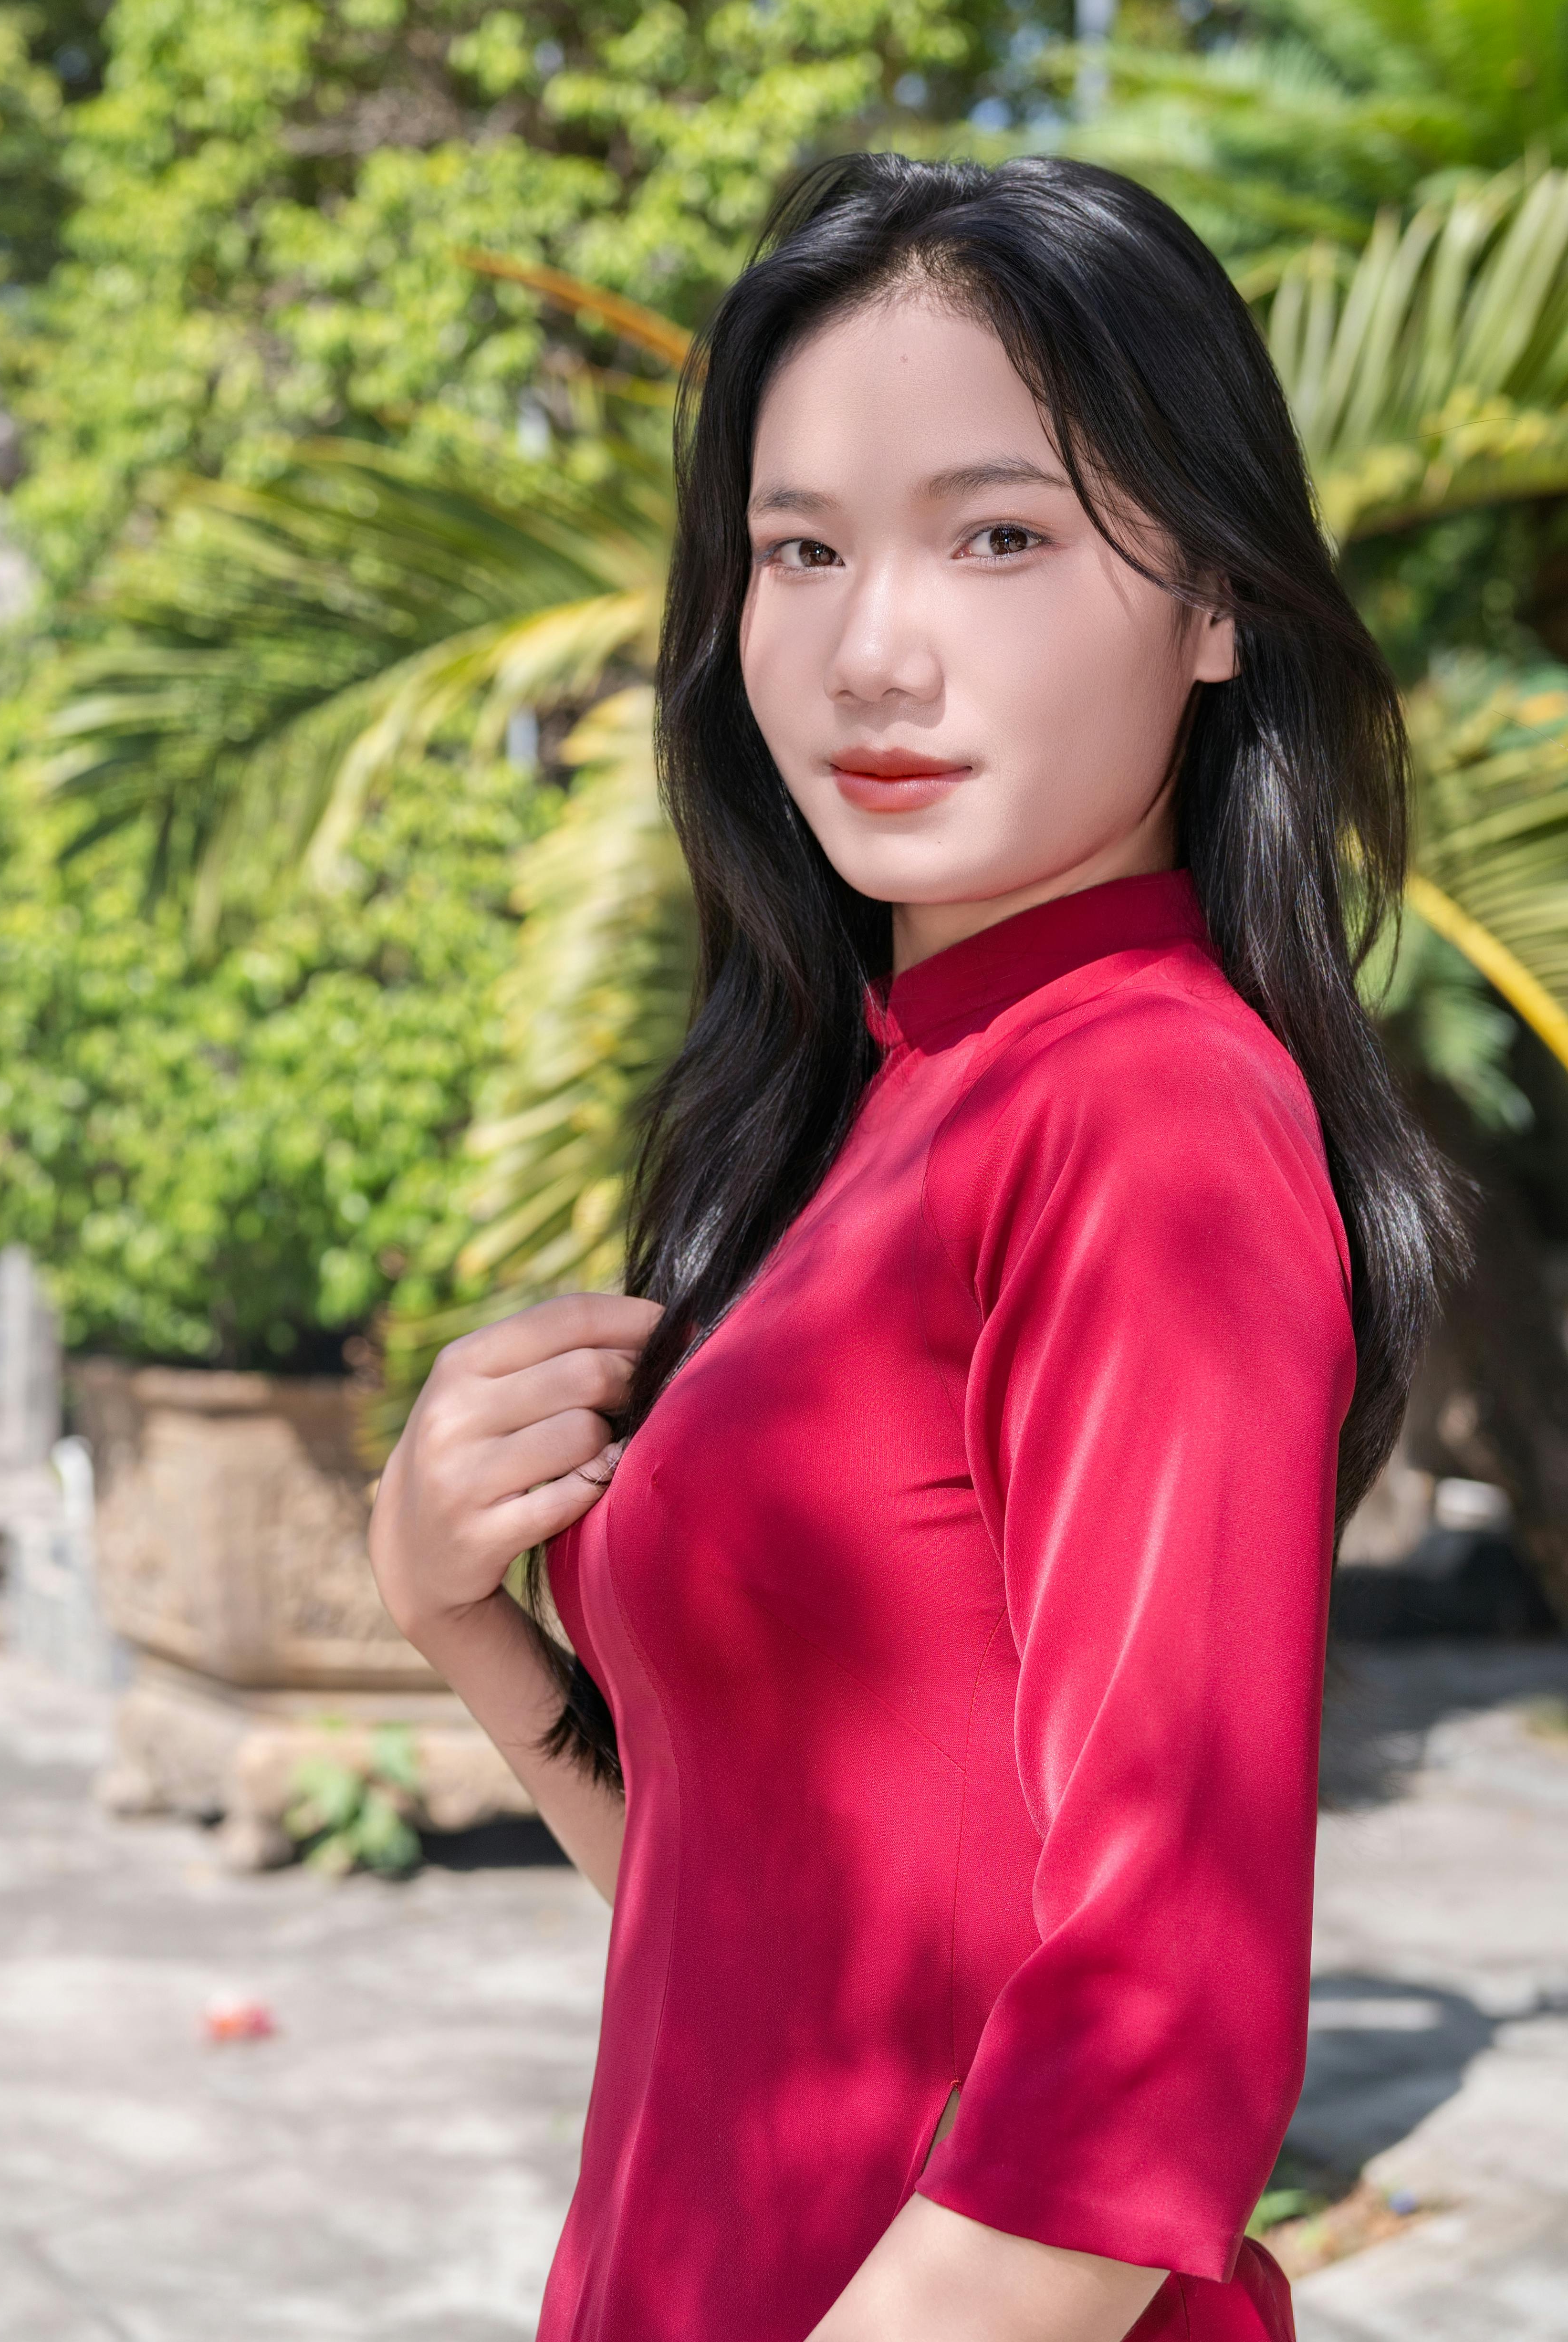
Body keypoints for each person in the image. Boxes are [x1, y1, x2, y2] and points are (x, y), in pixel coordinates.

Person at [369, 156, 1457, 2342]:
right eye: (799, 549)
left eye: (1000, 536)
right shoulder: (877, 1105)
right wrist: (460, 1615)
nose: (873, 646)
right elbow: (772, 1949)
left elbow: (1149, 2039)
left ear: (1216, 599)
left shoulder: (1140, 1108)